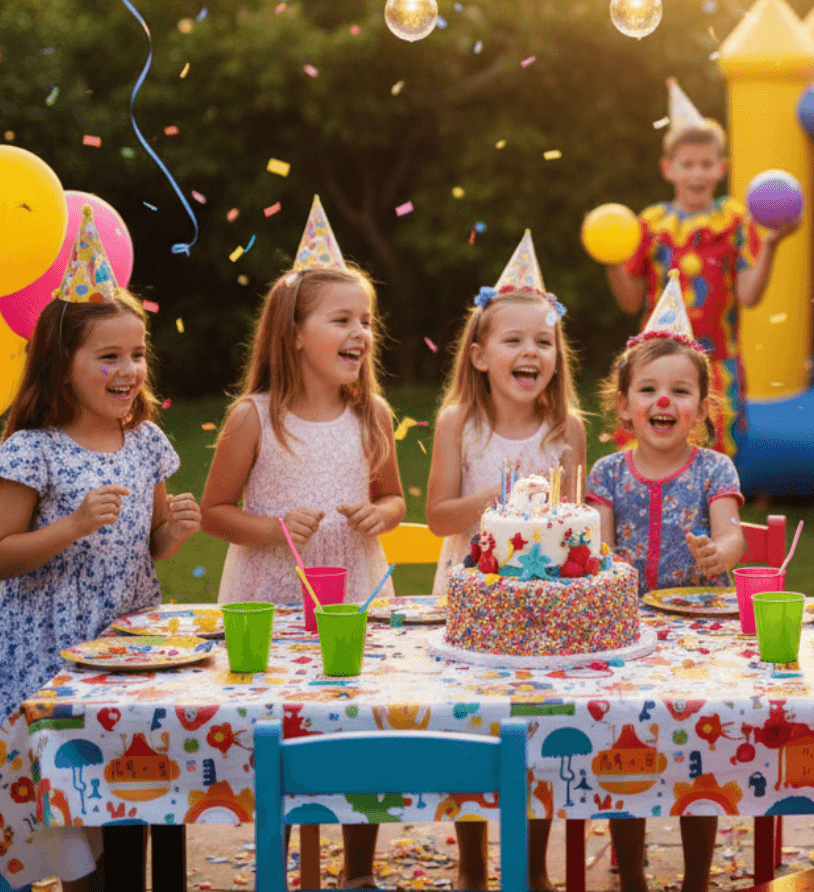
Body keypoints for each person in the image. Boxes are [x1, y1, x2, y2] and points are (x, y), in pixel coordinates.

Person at [201, 197, 404, 892]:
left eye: (366, 321)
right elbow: (215, 512)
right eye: (342, 321)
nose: (361, 334)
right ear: (294, 333)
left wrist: (381, 514)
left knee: (360, 724)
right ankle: (280, 865)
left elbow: (393, 498)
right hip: (273, 596)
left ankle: (356, 870)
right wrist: (278, 530)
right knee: (281, 727)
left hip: (357, 592)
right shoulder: (252, 417)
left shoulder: (371, 414)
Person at [0, 207, 199, 892]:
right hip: (45, 653)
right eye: (108, 356)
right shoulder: (34, 449)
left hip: (127, 648)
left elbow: (151, 549)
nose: (129, 370)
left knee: (129, 789)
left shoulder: (146, 442)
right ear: (62, 365)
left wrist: (174, 529)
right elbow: (2, 553)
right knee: (63, 812)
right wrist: (71, 527)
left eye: (137, 354)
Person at [427, 230, 585, 892]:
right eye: (514, 340)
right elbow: (438, 517)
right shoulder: (458, 423)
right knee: (470, 724)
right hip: (468, 594)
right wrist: (501, 496)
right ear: (480, 354)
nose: (530, 351)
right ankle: (469, 864)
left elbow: (574, 527)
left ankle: (532, 865)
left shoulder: (567, 428)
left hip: (545, 601)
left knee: (540, 725)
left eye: (543, 341)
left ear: (557, 355)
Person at [588, 270, 745, 892]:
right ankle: (630, 869)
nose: (663, 402)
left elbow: (732, 535)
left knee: (696, 752)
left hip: (696, 633)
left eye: (680, 391)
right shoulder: (607, 469)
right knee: (623, 743)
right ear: (623, 404)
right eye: (648, 388)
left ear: (703, 408)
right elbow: (594, 540)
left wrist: (718, 554)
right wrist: (604, 558)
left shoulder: (714, 467)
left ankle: (698, 877)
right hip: (624, 631)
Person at [605, 79, 795, 457]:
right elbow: (630, 303)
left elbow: (749, 295)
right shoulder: (650, 225)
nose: (697, 174)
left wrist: (771, 245)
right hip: (654, 362)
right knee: (648, 449)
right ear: (668, 168)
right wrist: (611, 259)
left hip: (716, 365)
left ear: (721, 168)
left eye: (706, 164)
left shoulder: (735, 223)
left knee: (714, 450)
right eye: (687, 164)